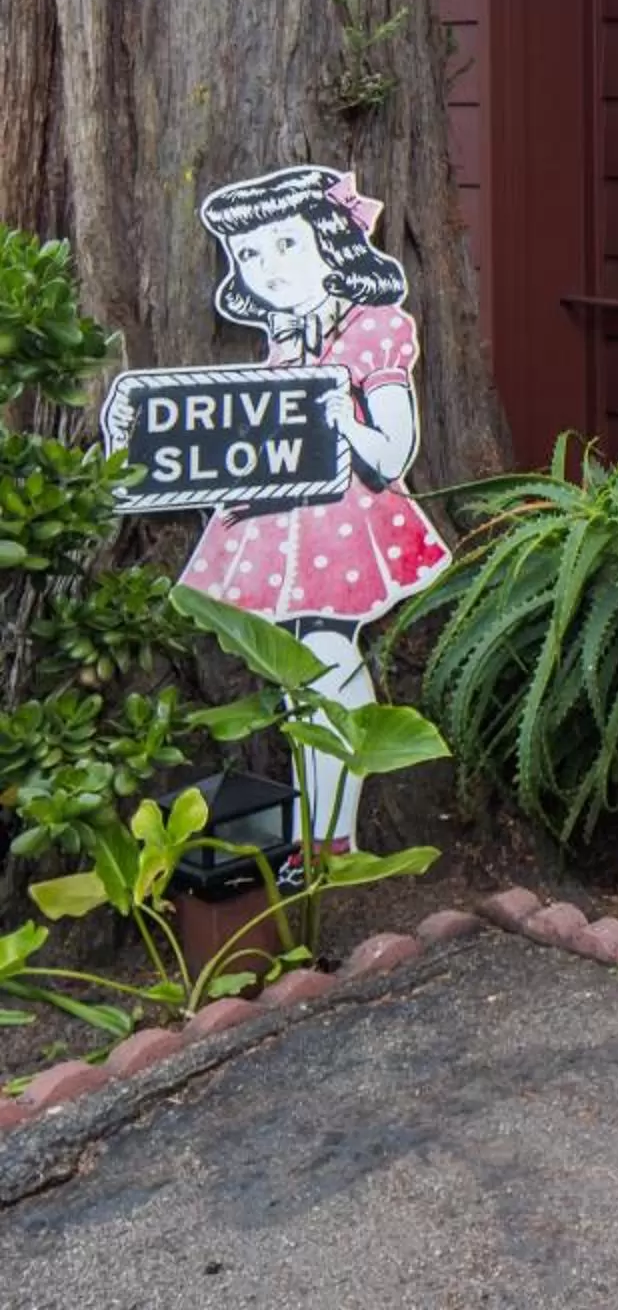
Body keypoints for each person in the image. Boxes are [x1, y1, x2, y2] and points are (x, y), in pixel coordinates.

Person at [177, 165, 448, 850]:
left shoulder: (373, 330)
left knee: (327, 654)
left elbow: (392, 453)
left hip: (345, 524)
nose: (267, 268)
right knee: (302, 670)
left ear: (331, 242)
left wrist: (344, 419)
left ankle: (330, 831)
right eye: (250, 254)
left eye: (285, 246)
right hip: (277, 526)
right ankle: (316, 826)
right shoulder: (288, 334)